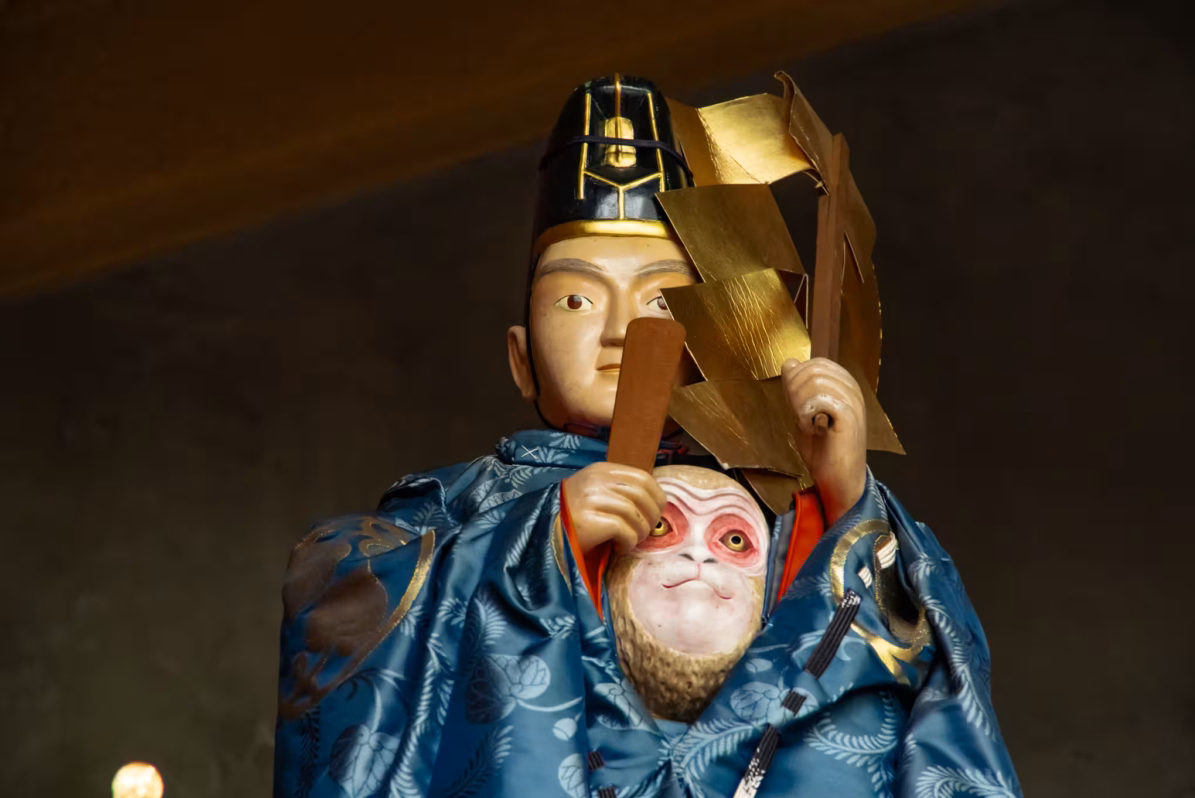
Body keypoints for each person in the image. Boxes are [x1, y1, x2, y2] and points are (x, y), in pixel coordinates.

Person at [274, 74, 1020, 798]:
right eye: (576, 299)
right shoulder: (461, 508)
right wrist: (541, 538)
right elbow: (334, 601)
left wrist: (840, 499)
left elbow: (915, 670)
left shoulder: (773, 498)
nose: (621, 331)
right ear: (520, 358)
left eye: (662, 299)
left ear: (721, 327)